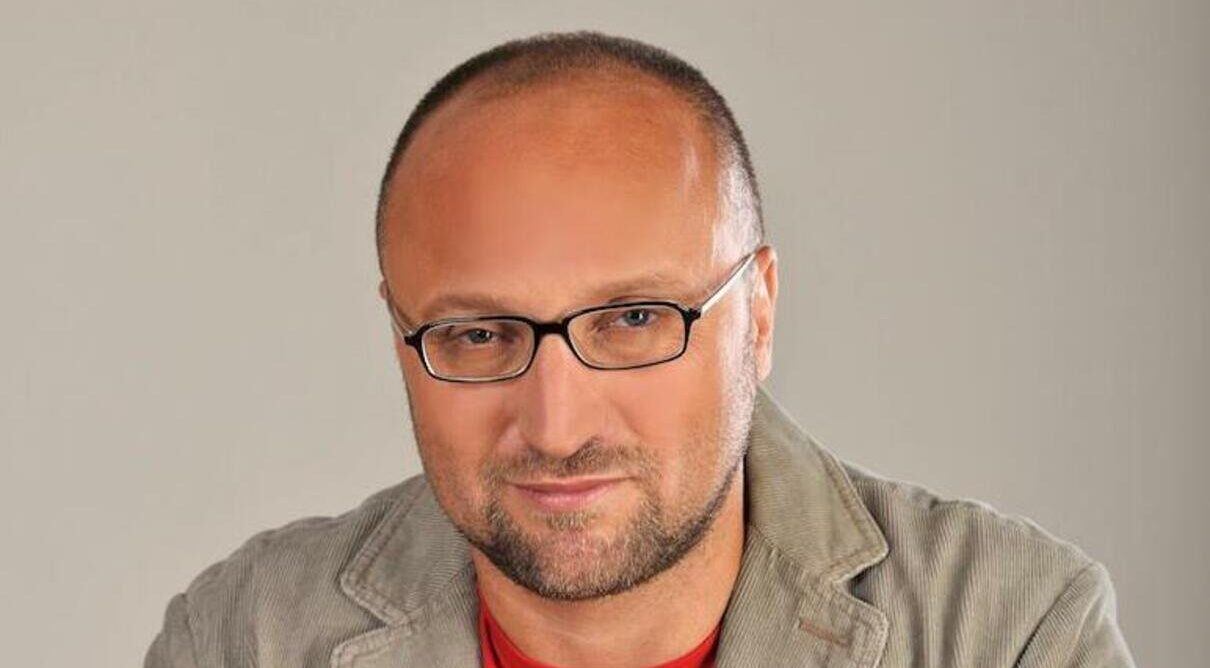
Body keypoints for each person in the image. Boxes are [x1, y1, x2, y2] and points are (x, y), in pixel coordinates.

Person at [145, 31, 1135, 667]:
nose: (555, 426)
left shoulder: (1005, 631)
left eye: (631, 320)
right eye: (479, 333)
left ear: (757, 314)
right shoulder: (244, 638)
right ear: (401, 335)